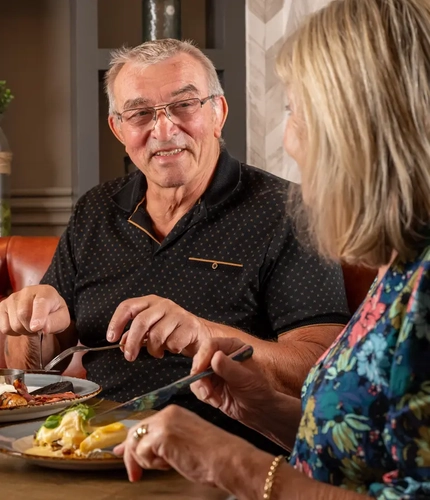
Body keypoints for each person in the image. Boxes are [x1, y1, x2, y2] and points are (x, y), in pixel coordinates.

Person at [113, 0, 430, 498]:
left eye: (296, 111)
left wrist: (230, 461)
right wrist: (261, 409)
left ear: (361, 124)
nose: (291, 139)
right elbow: (360, 449)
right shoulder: (403, 265)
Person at [0, 39, 349, 453]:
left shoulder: (289, 211)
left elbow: (324, 367)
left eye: (184, 106)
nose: (163, 129)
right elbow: (33, 369)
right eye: (140, 113)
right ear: (119, 129)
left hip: (224, 453)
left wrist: (205, 335)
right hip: (90, 448)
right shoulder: (96, 209)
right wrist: (32, 322)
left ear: (218, 112)